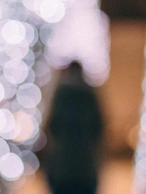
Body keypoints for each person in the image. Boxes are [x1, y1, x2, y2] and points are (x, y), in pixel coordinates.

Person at [42, 61, 104, 194]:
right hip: (85, 167)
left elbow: (52, 126)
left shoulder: (60, 95)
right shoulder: (89, 95)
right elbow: (98, 127)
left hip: (62, 167)